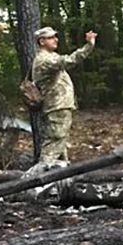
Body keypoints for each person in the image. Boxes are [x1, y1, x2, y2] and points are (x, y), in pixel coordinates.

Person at [32, 26, 96, 163]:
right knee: (53, 144)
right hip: (56, 106)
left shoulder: (50, 57)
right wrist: (89, 46)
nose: (56, 40)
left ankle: (62, 178)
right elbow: (69, 61)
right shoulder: (44, 60)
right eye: (51, 37)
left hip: (60, 106)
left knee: (60, 144)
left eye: (55, 36)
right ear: (42, 41)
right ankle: (40, 177)